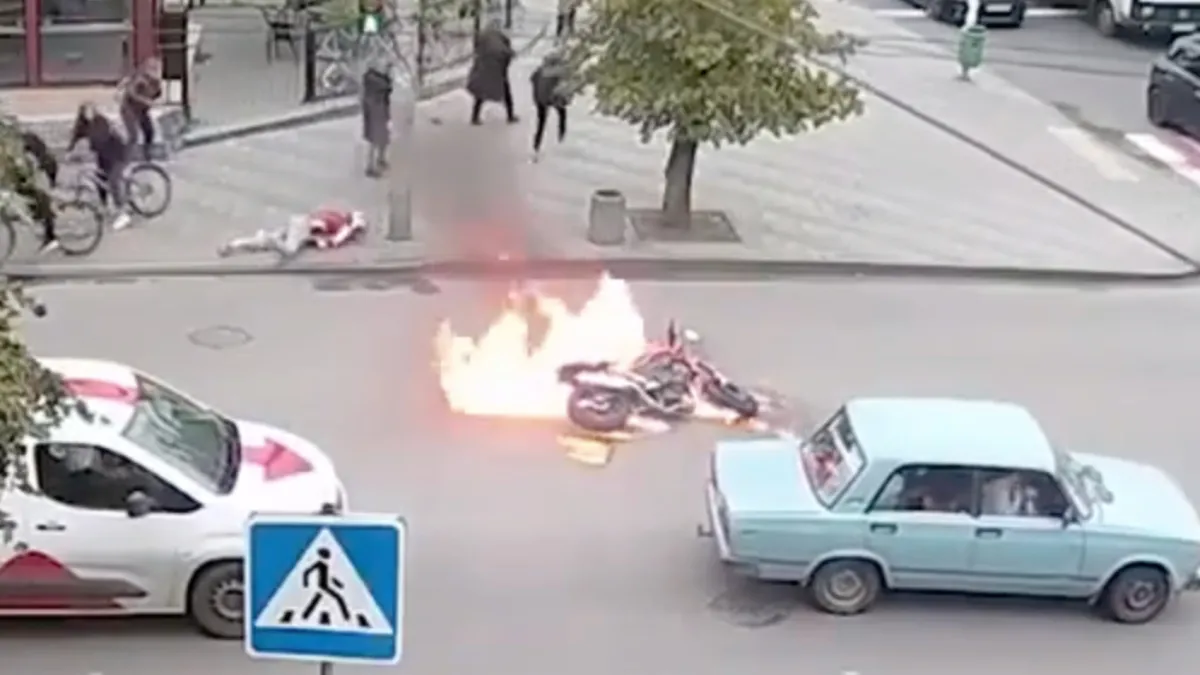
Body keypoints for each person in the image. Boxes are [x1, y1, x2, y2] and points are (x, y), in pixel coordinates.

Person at [67, 102, 132, 231]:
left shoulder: (101, 121)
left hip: (117, 153)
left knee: (113, 181)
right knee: (100, 179)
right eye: (86, 112)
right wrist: (69, 151)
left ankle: (123, 213)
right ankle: (104, 206)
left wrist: (86, 151)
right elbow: (76, 136)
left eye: (91, 111)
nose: (89, 114)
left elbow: (100, 138)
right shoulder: (83, 125)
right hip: (103, 157)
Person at [217, 209, 367, 258]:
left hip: (299, 220)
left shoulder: (337, 215)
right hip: (304, 227)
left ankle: (234, 245)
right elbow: (333, 242)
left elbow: (320, 219)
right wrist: (313, 240)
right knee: (289, 250)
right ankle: (269, 239)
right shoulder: (345, 228)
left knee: (262, 244)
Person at [4, 129, 59, 253]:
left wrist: (23, 180)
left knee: (41, 200)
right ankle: (41, 221)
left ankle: (51, 238)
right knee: (30, 198)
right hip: (43, 168)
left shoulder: (21, 145)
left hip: (44, 170)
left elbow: (25, 166)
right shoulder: (19, 142)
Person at [467, 20, 518, 125]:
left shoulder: (483, 35)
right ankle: (510, 116)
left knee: (480, 93)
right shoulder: (498, 37)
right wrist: (511, 53)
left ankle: (475, 117)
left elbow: (478, 49)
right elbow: (501, 50)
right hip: (496, 69)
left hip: (483, 68)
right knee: (506, 91)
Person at [529, 50, 572, 162]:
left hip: (540, 99)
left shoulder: (539, 71)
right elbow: (564, 87)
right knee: (562, 113)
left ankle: (536, 146)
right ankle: (561, 134)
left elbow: (532, 79)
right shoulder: (559, 72)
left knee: (541, 123)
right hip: (552, 98)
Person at [117, 56, 162, 160]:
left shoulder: (156, 83)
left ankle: (147, 155)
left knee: (149, 131)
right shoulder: (141, 79)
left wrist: (153, 101)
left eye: (156, 68)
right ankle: (124, 158)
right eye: (152, 67)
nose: (155, 70)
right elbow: (131, 93)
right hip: (129, 109)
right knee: (134, 135)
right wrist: (145, 100)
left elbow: (157, 95)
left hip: (142, 111)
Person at [361, 59, 393, 178]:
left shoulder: (376, 77)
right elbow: (386, 86)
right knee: (375, 139)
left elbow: (387, 89)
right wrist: (388, 74)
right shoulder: (373, 79)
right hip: (375, 108)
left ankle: (380, 159)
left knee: (383, 136)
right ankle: (370, 166)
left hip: (380, 108)